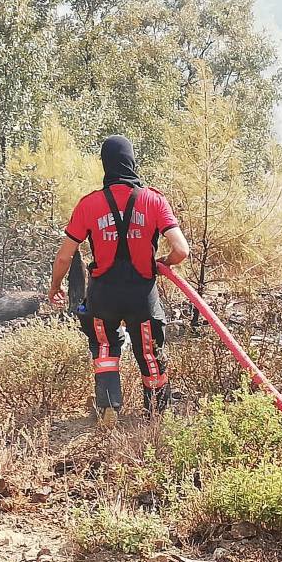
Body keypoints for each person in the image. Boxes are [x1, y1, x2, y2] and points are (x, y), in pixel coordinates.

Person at [48, 135, 190, 426]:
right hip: (142, 294)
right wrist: (164, 263)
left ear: (106, 165)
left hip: (103, 296)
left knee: (104, 349)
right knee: (150, 353)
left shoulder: (89, 204)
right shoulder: (154, 200)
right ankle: (156, 416)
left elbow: (64, 257)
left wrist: (55, 287)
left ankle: (109, 405)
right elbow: (181, 250)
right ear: (132, 162)